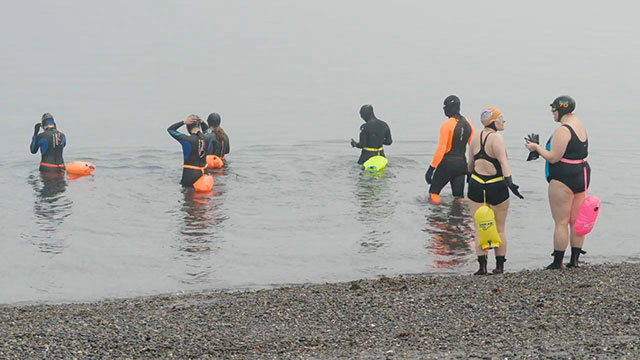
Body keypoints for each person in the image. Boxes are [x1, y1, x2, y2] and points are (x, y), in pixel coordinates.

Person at [525, 96, 590, 269]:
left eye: (553, 110)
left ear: (560, 111)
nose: (552, 114)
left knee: (561, 221)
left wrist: (536, 148)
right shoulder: (579, 124)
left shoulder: (563, 130)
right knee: (577, 221)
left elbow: (554, 157)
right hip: (581, 175)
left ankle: (557, 262)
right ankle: (575, 260)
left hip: (564, 177)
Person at [467, 107, 523, 275]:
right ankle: (499, 266)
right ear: (493, 122)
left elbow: (470, 164)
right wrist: (511, 183)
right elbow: (503, 162)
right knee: (500, 228)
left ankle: (482, 266)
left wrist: (469, 180)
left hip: (476, 185)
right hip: (496, 185)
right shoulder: (497, 138)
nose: (503, 121)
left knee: (479, 227)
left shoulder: (475, 136)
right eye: (501, 118)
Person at [425, 95, 474, 204]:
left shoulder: (446, 125)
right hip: (462, 165)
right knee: (459, 197)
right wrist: (471, 170)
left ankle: (436, 218)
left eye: (445, 107)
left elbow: (441, 149)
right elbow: (474, 148)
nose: (444, 110)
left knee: (434, 194)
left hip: (447, 164)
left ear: (449, 108)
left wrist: (431, 169)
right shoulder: (468, 124)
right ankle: (460, 217)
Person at [167, 115, 214, 187]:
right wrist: (202, 122)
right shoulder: (208, 137)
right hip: (204, 173)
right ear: (198, 126)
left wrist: (183, 122)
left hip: (190, 175)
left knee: (188, 196)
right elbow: (209, 131)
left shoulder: (187, 140)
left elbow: (170, 130)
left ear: (188, 127)